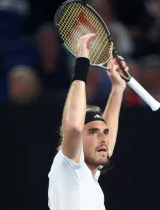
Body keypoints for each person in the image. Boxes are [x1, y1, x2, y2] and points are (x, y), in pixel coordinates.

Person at [48, 33, 129, 210]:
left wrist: (118, 88)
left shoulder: (89, 178)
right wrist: (82, 63)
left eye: (104, 132)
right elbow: (73, 128)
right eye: (93, 132)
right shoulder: (68, 168)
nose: (103, 138)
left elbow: (109, 141)